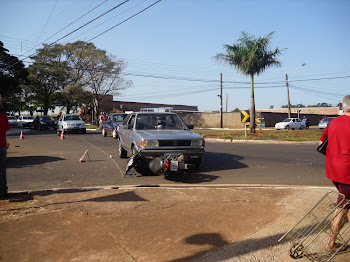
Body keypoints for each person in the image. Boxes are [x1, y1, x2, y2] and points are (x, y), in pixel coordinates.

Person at [319, 95, 350, 252]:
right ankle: (330, 244)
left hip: (333, 171)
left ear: (343, 108)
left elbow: (321, 143)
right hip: (347, 174)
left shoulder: (332, 123)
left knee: (347, 203)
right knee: (342, 207)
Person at [0, 94, 11, 196]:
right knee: (2, 169)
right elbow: (7, 128)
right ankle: (3, 191)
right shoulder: (3, 116)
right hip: (1, 145)